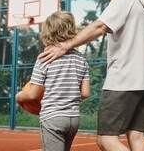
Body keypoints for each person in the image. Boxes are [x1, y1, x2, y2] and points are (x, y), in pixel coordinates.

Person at [38, 0, 144, 151]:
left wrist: (66, 45)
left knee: (106, 140)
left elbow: (99, 27)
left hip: (123, 81)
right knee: (136, 135)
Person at [16, 11, 90, 151]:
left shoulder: (45, 58)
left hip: (52, 118)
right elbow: (85, 93)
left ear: (48, 32)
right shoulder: (81, 59)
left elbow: (32, 94)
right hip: (73, 119)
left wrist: (19, 96)